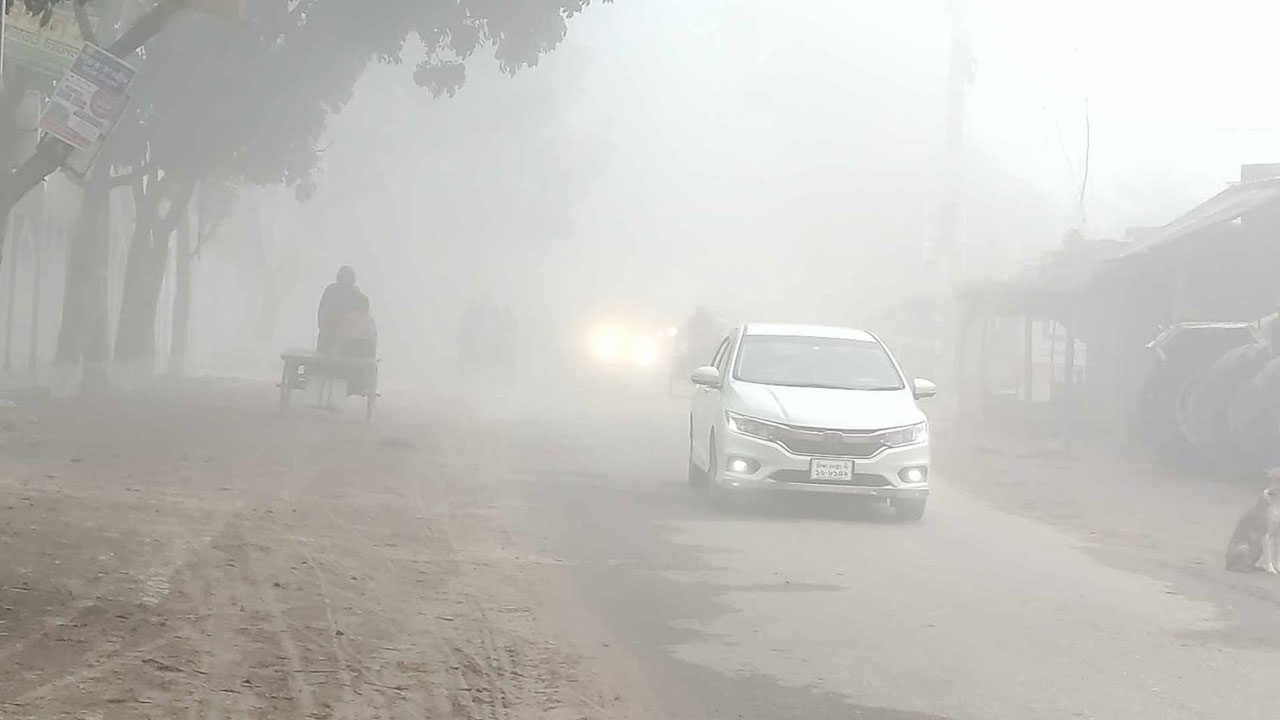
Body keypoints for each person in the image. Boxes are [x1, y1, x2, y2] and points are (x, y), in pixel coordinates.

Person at [317, 266, 367, 354]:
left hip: (344, 340)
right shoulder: (331, 291)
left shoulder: (356, 296)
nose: (346, 281)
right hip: (332, 337)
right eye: (344, 278)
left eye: (348, 278)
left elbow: (359, 321)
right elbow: (322, 313)